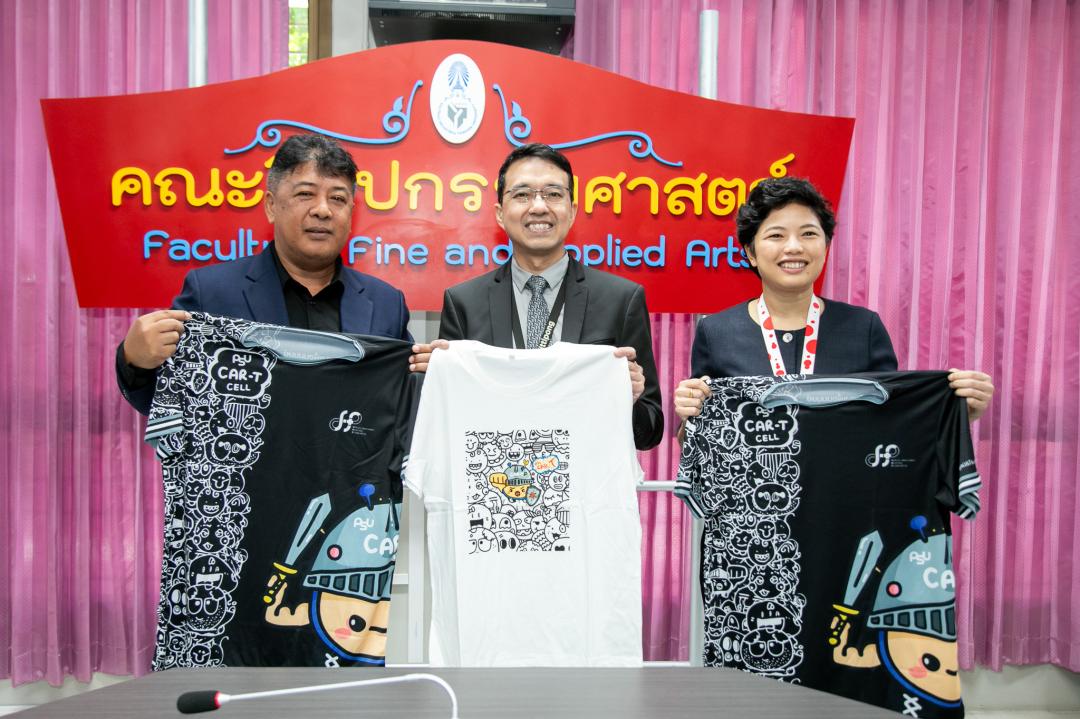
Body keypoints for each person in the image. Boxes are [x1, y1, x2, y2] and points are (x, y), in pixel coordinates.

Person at [116, 133, 437, 415]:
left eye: (338, 198)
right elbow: (167, 402)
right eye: (305, 194)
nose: (323, 210)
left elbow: (400, 406)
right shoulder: (211, 293)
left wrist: (436, 376)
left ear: (351, 212)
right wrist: (135, 360)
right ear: (271, 205)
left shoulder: (385, 304)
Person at [673, 176, 994, 425]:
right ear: (751, 252)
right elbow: (697, 441)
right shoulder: (717, 332)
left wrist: (960, 411)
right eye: (776, 235)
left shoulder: (863, 327)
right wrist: (689, 415)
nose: (794, 247)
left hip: (845, 491)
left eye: (809, 234)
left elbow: (895, 421)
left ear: (825, 247)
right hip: (754, 492)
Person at [433, 143, 664, 450]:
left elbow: (650, 432)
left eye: (553, 194)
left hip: (586, 477)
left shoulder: (621, 299)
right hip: (496, 475)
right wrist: (437, 382)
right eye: (522, 195)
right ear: (500, 214)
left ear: (572, 211)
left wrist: (630, 399)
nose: (539, 207)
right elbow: (446, 421)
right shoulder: (463, 302)